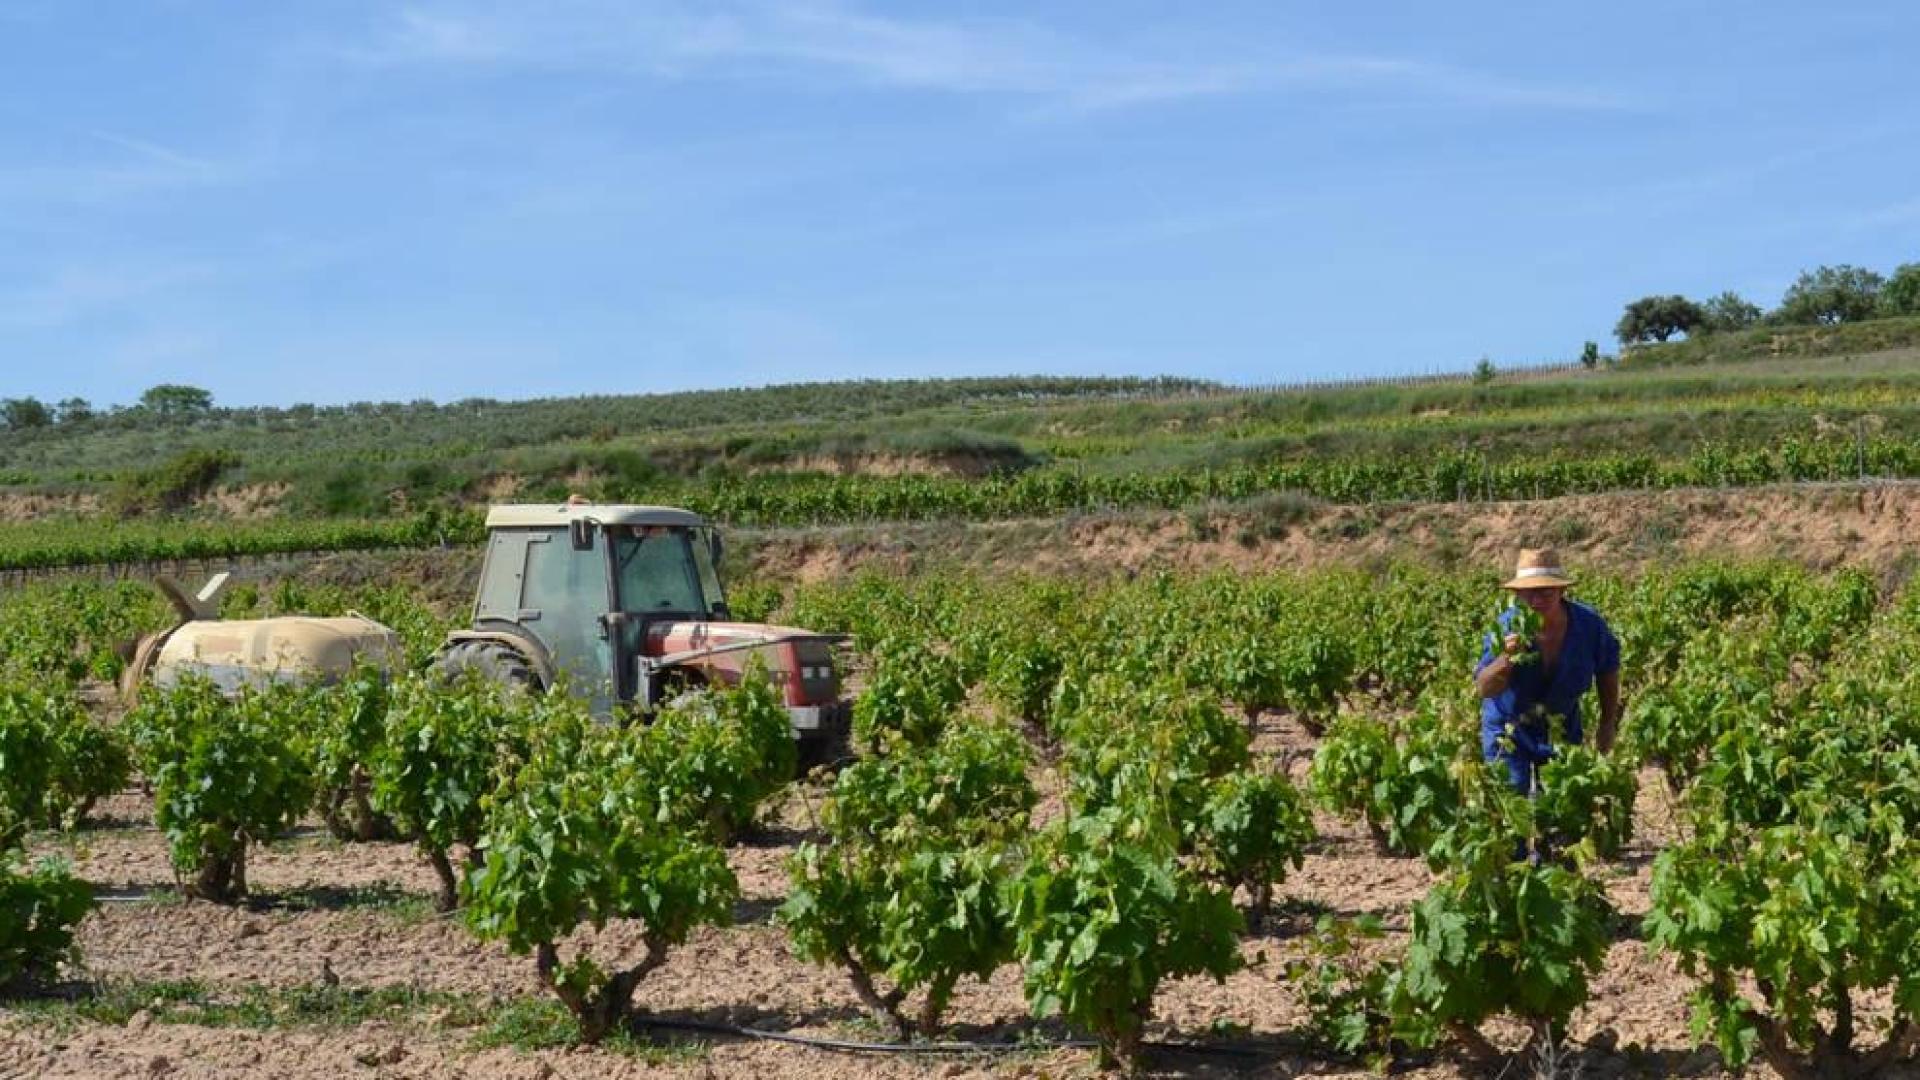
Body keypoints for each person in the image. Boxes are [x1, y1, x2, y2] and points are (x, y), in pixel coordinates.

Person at [1474, 548, 1621, 793]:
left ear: (1562, 591)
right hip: (1508, 729)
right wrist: (1505, 659)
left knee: (1561, 804)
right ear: (1517, 594)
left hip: (1561, 726)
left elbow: (1608, 670)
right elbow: (1484, 687)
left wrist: (1607, 724)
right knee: (1510, 808)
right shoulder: (1505, 627)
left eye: (1545, 592)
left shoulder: (1589, 625)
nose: (1536, 601)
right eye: (1528, 593)